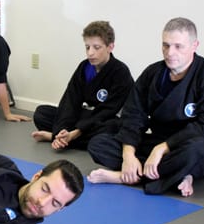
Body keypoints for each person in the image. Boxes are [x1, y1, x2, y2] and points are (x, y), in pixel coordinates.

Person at [87, 17, 204, 197]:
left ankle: (127, 177)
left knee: (201, 151)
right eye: (165, 45)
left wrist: (162, 148)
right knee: (98, 143)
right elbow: (134, 114)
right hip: (156, 142)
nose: (170, 52)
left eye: (178, 46)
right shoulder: (153, 73)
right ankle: (176, 175)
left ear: (194, 46)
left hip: (189, 145)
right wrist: (129, 155)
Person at [32, 21, 134, 150]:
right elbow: (70, 101)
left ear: (110, 47)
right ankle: (62, 137)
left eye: (96, 47)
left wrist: (75, 132)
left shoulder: (120, 72)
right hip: (86, 116)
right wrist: (62, 129)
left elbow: (107, 111)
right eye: (87, 47)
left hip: (104, 118)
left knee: (113, 127)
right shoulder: (84, 67)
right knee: (41, 113)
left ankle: (54, 137)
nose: (90, 53)